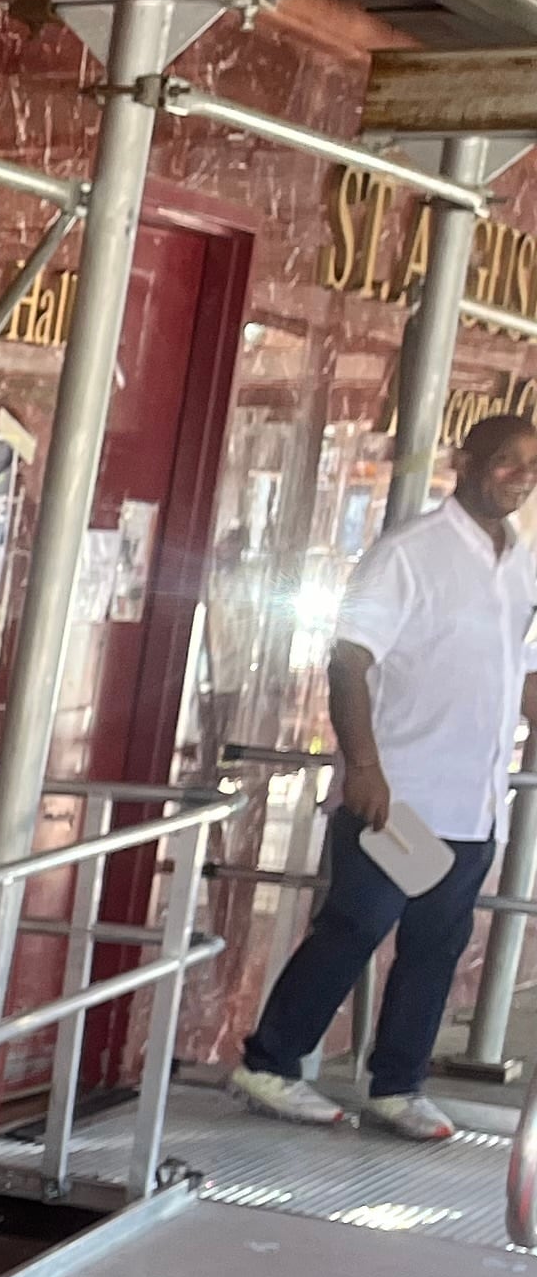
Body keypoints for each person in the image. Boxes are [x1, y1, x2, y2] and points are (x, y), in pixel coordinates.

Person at [229, 411, 537, 1140]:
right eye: (505, 460)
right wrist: (362, 766)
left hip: (476, 796)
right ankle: (269, 1064)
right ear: (465, 461)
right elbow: (348, 660)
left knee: (437, 945)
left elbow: (522, 668)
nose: (520, 476)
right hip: (395, 794)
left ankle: (398, 1085)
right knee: (355, 926)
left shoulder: (524, 561)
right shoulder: (407, 553)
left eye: (531, 466)